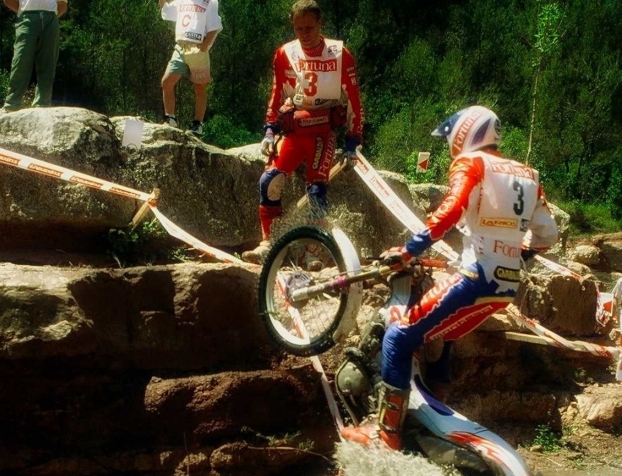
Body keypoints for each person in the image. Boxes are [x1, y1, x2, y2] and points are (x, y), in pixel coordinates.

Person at [342, 105, 559, 450]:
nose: (449, 149)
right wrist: (516, 253)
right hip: (506, 286)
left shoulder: (470, 163)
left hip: (475, 278)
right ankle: (434, 408)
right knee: (445, 333)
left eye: (450, 140)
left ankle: (385, 435)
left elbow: (451, 209)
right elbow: (548, 234)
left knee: (398, 338)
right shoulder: (529, 175)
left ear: (465, 133)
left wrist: (409, 250)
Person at [241, 0, 364, 264]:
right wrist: (270, 130)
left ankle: (313, 251)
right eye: (299, 28)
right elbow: (277, 93)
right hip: (295, 131)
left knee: (316, 192)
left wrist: (353, 140)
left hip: (323, 132)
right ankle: (270, 244)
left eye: (309, 28)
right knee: (269, 182)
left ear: (320, 24)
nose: (305, 34)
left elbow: (354, 99)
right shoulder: (285, 53)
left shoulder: (340, 54)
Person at [159, 0, 222, 136]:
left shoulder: (210, 2)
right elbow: (166, 10)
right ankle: (170, 118)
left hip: (197, 48)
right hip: (180, 47)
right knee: (166, 82)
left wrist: (203, 48)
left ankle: (197, 124)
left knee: (199, 86)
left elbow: (214, 27)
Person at [0, 0, 68, 112]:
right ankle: (11, 104)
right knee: (21, 60)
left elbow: (63, 5)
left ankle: (42, 103)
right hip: (27, 18)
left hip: (50, 20)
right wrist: (26, 14)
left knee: (48, 63)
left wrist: (50, 17)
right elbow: (8, 1)